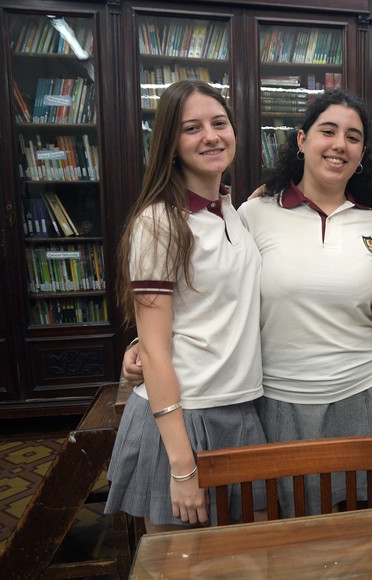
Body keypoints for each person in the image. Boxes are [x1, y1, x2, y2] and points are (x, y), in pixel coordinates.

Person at [105, 80, 266, 531]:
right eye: (191, 128)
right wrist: (182, 466)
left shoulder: (231, 208)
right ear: (171, 145)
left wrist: (141, 338)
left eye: (219, 123)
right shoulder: (160, 222)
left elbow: (208, 304)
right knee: (180, 564)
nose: (211, 136)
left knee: (241, 562)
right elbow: (157, 351)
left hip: (238, 407)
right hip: (184, 417)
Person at [236, 88, 372, 515]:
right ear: (302, 139)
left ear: (363, 152)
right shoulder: (254, 215)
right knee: (285, 537)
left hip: (366, 397)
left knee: (362, 540)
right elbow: (216, 298)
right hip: (279, 403)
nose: (339, 145)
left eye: (352, 137)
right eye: (328, 131)